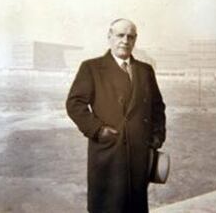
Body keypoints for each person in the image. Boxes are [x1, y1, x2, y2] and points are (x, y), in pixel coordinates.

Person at [66, 18, 166, 213]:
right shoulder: (92, 68)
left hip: (139, 155)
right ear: (109, 37)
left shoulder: (145, 71)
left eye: (131, 36)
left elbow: (157, 107)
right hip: (108, 152)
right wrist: (97, 130)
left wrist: (156, 138)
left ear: (135, 40)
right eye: (120, 35)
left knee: (135, 206)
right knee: (107, 206)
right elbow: (74, 103)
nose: (125, 41)